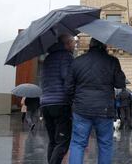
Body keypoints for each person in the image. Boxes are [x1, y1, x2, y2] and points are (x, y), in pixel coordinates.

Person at [66, 38, 126, 164]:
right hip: (104, 109)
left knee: (78, 143)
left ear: (90, 45)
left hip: (81, 108)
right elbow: (120, 84)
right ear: (104, 46)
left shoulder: (77, 61)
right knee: (105, 144)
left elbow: (68, 87)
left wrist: (75, 101)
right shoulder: (112, 61)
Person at [40, 34, 75, 164]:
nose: (74, 45)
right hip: (60, 103)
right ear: (66, 44)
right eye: (72, 42)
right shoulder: (66, 56)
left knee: (53, 141)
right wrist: (73, 97)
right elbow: (67, 79)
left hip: (45, 104)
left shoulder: (47, 58)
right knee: (62, 142)